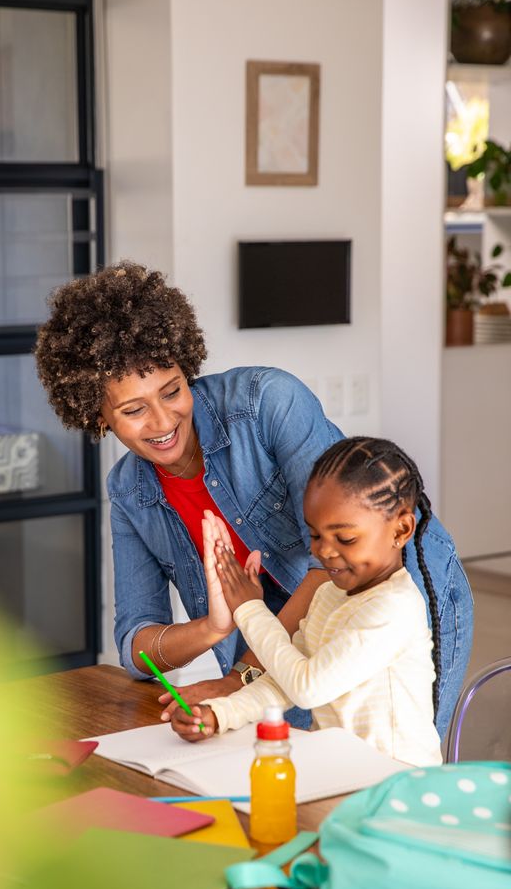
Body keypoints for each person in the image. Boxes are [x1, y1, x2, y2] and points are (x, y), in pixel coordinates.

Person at [35, 261, 473, 736]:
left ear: (187, 367)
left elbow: (328, 561)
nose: (162, 422)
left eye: (172, 390)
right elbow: (138, 648)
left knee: (393, 751)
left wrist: (241, 673)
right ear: (98, 418)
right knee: (309, 768)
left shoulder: (267, 403)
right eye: (134, 409)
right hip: (275, 636)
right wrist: (214, 627)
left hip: (380, 591)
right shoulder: (129, 492)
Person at [169, 439, 444, 767]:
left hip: (395, 786)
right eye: (315, 536)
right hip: (340, 776)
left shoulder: (392, 608)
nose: (324, 551)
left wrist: (249, 609)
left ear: (401, 529)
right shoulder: (330, 593)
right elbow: (283, 680)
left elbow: (307, 687)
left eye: (345, 539)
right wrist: (220, 714)